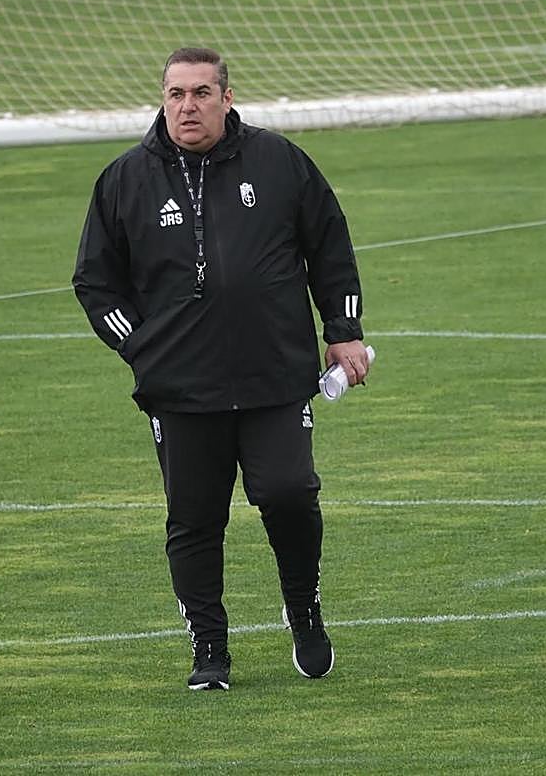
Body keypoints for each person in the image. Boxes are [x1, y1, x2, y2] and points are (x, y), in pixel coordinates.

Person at [73, 47, 370, 691]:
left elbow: (331, 247)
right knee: (195, 518)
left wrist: (343, 333)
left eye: (202, 93)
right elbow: (96, 284)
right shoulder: (125, 180)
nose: (188, 106)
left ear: (227, 99)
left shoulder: (280, 162)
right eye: (176, 94)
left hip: (275, 378)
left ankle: (304, 610)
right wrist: (141, 347)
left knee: (289, 495)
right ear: (162, 99)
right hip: (181, 389)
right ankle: (210, 651)